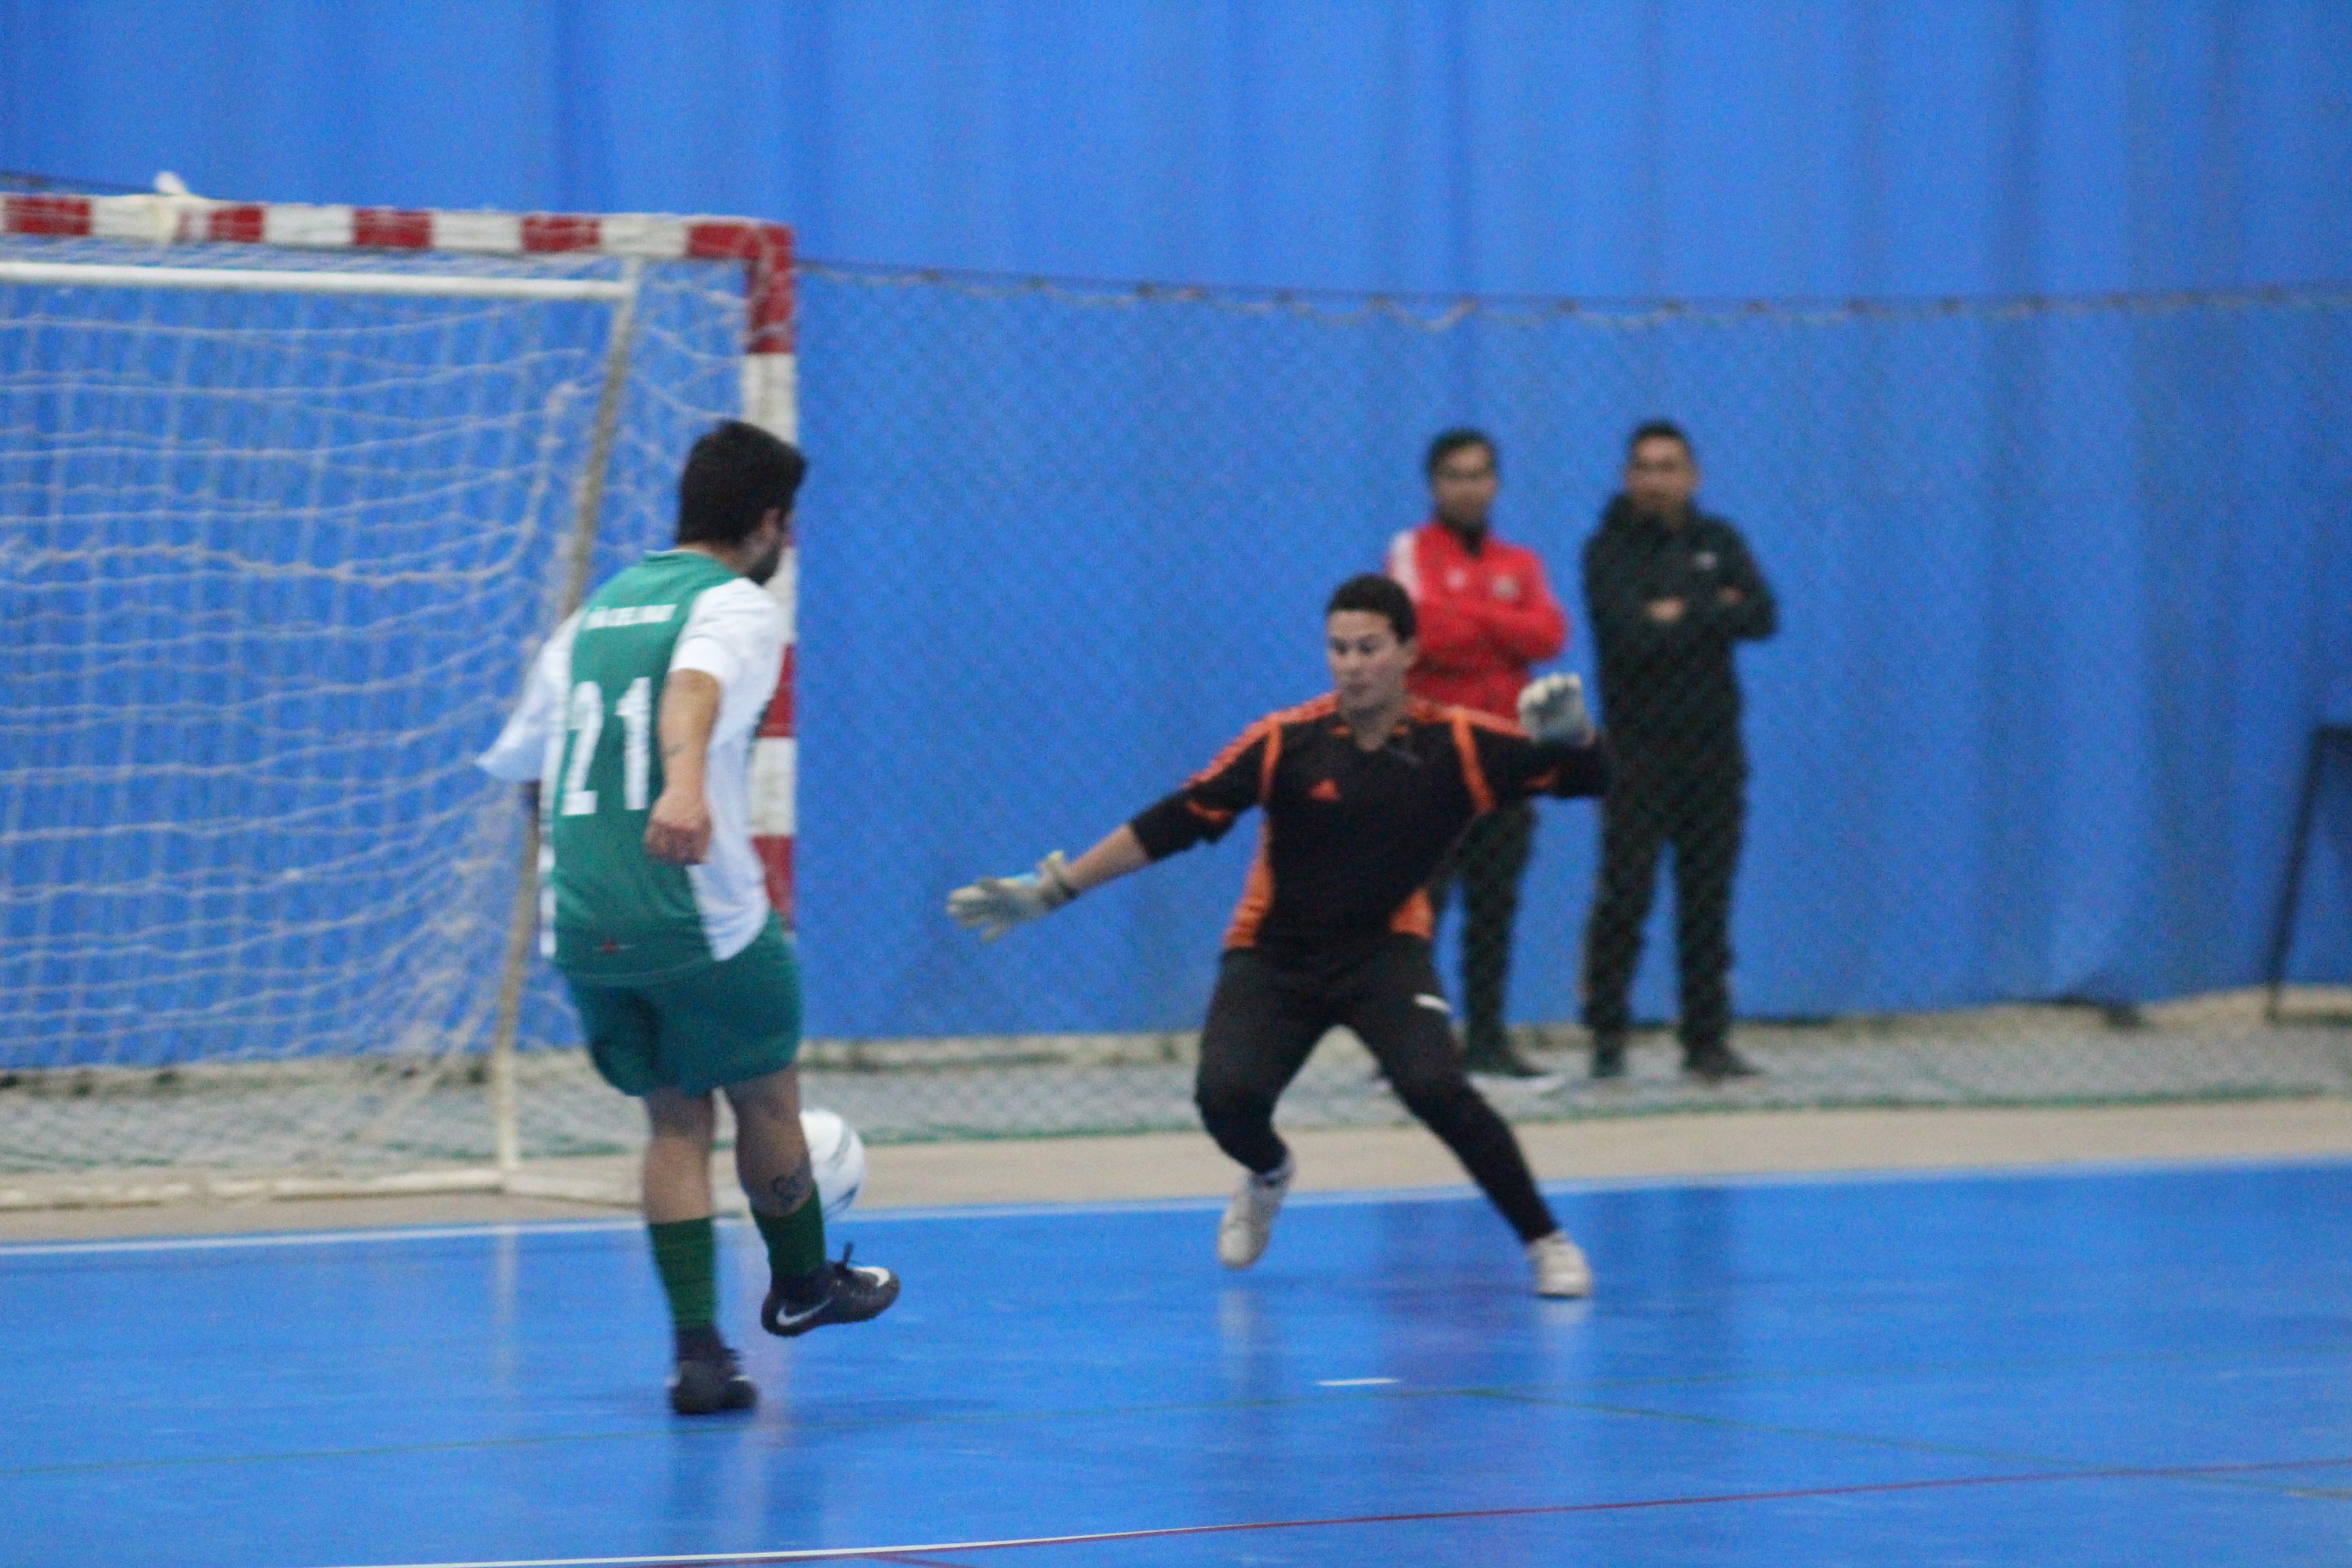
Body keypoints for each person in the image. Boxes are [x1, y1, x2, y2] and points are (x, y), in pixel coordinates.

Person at [947, 575, 1610, 1297]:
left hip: (1384, 952)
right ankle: (1268, 1173)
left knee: (1436, 1087)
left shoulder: (1458, 744)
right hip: (1275, 955)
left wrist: (1578, 738)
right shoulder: (1285, 742)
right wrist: (1058, 887)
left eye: (1369, 648)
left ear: (1408, 652)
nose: (1352, 664)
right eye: (1338, 649)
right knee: (1226, 1100)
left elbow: (1590, 779)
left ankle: (1547, 1241)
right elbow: (1179, 818)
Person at [478, 421, 898, 1416]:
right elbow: (694, 684)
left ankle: (699, 1358)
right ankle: (802, 1286)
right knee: (767, 1100)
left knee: (673, 1121)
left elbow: (528, 768)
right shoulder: (735, 604)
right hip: (693, 907)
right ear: (769, 522)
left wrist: (583, 870)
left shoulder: (588, 619)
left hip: (584, 918)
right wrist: (680, 787)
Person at [1579, 421, 1778, 1083]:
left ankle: (1706, 1040)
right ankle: (1608, 1036)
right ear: (1627, 478)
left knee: (1707, 898)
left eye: (1670, 467)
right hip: (1636, 754)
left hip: (1714, 751)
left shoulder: (1719, 540)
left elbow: (1763, 615)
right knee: (1626, 894)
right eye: (1645, 468)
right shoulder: (1606, 550)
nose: (1657, 480)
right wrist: (1711, 607)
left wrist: (1677, 610)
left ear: (1693, 477)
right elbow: (1629, 636)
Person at [1386, 429, 1571, 1082]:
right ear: (1434, 485)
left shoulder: (1521, 561)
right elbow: (1422, 632)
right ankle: (1410, 1050)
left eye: (1479, 475)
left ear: (1495, 483)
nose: (1468, 488)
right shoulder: (1411, 551)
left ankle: (1488, 1041)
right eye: (1454, 476)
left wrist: (1471, 616)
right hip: (1431, 761)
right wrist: (1500, 623)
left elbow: (1549, 634)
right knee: (1419, 909)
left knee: (1495, 905)